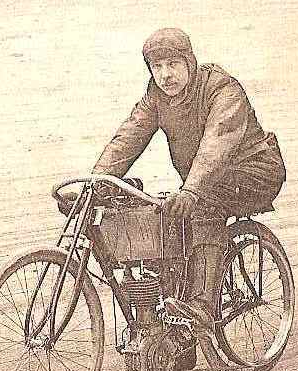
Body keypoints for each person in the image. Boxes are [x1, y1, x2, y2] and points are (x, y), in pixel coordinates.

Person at [92, 27, 286, 334]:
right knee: (165, 219)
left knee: (203, 205)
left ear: (189, 63)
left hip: (255, 172)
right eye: (157, 67)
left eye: (173, 64)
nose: (165, 74)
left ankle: (203, 305)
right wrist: (97, 181)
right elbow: (127, 137)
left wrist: (192, 189)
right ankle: (176, 341)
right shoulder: (155, 98)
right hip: (207, 179)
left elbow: (218, 142)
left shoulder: (222, 88)